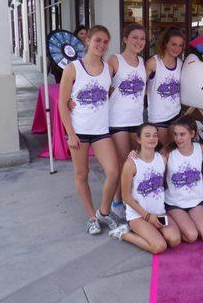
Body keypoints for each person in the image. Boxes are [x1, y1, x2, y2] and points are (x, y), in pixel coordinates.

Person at [58, 25, 120, 235]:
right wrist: (71, 134)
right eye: (97, 40)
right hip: (79, 131)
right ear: (88, 41)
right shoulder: (72, 68)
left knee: (113, 171)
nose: (101, 45)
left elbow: (107, 92)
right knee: (81, 174)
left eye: (105, 42)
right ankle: (91, 217)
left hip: (101, 130)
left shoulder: (109, 69)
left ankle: (103, 211)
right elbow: (62, 103)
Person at [110, 123, 181, 253]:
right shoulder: (131, 164)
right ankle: (124, 234)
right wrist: (148, 216)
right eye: (147, 135)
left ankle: (149, 231)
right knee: (159, 246)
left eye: (155, 135)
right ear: (139, 139)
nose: (152, 138)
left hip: (159, 212)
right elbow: (126, 197)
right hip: (138, 215)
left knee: (175, 240)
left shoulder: (163, 159)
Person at [108, 23, 148, 219]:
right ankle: (118, 202)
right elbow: (100, 84)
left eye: (142, 38)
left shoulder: (142, 62)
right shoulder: (115, 60)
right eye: (134, 37)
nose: (139, 42)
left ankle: (132, 199)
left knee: (136, 163)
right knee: (125, 163)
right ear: (125, 39)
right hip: (118, 120)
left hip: (137, 120)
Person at [164, 116, 203, 242]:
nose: (178, 138)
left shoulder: (200, 149)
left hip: (195, 202)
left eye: (182, 134)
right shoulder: (168, 154)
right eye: (175, 134)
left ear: (192, 134)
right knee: (192, 236)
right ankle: (173, 221)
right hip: (174, 203)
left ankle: (185, 221)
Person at [146, 27, 185, 147]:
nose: (177, 48)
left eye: (180, 45)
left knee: (175, 151)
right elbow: (141, 86)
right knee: (163, 152)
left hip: (176, 115)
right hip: (158, 117)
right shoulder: (153, 63)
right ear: (165, 43)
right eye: (173, 44)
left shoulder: (181, 65)